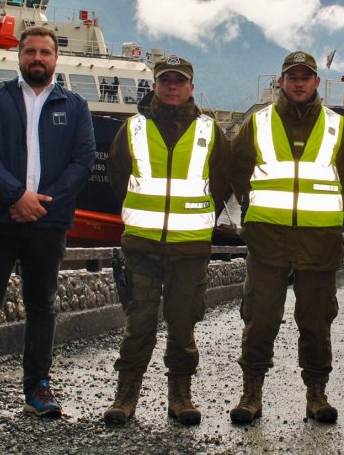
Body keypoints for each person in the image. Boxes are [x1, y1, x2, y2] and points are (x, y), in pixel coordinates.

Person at [0, 27, 96, 419]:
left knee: (43, 305)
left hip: (47, 222)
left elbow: (83, 161)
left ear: (55, 58)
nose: (37, 58)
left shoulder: (75, 105)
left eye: (45, 52)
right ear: (19, 55)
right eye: (30, 51)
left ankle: (38, 386)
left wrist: (41, 203)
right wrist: (16, 196)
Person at [228, 51, 344, 425]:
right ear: (281, 81)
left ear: (317, 82)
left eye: (306, 76)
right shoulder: (258, 123)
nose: (299, 82)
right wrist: (252, 206)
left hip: (319, 244)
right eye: (293, 76)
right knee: (260, 319)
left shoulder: (337, 126)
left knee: (317, 322)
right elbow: (238, 168)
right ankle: (251, 393)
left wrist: (330, 211)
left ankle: (316, 395)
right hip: (267, 242)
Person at [102, 55, 231, 425]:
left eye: (180, 80)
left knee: (183, 324)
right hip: (141, 247)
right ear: (155, 85)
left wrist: (198, 220)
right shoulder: (132, 129)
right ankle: (126, 396)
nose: (172, 86)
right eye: (166, 80)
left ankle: (181, 396)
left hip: (190, 249)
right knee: (138, 324)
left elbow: (221, 183)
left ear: (191, 87)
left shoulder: (211, 132)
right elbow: (118, 178)